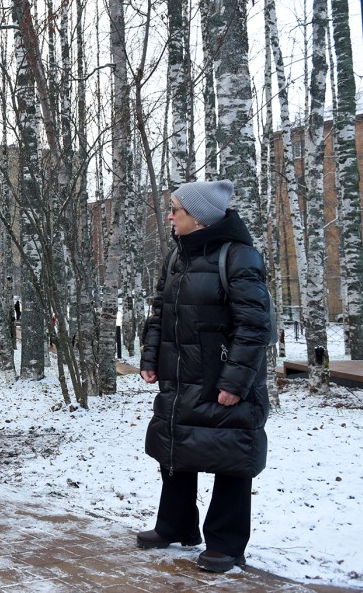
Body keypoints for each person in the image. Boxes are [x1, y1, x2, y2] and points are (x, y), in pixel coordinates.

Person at [138, 180, 272, 573]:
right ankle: (176, 526)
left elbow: (254, 327)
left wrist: (234, 383)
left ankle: (226, 545)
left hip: (222, 379)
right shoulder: (175, 257)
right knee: (174, 450)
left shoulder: (239, 257)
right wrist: (151, 357)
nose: (169, 215)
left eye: (175, 209)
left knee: (231, 458)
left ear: (197, 217)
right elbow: (159, 311)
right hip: (180, 378)